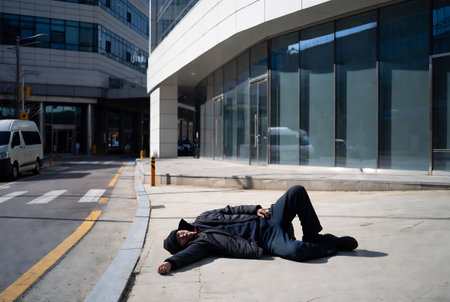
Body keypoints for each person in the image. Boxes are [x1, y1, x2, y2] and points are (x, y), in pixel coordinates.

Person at [158, 185, 358, 275]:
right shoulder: (202, 243)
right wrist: (171, 263)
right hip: (266, 239)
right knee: (296, 251)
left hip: (268, 217)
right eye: (180, 240)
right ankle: (331, 244)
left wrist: (256, 208)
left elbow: (230, 210)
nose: (182, 235)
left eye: (179, 233)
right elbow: (189, 256)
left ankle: (313, 235)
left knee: (297, 191)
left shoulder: (203, 217)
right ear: (183, 246)